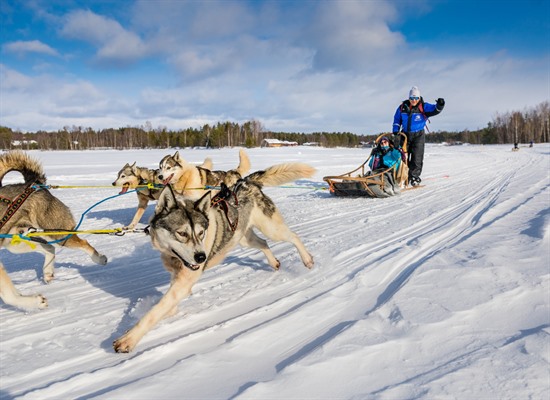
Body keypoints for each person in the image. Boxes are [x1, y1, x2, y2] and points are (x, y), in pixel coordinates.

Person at [392, 86, 445, 186]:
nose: (414, 100)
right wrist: (396, 132)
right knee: (403, 156)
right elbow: (396, 120)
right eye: (412, 98)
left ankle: (414, 177)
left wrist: (440, 105)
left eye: (416, 98)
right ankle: (402, 175)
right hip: (405, 134)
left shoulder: (423, 107)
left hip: (418, 135)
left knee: (417, 157)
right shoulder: (402, 107)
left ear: (419, 98)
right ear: (409, 98)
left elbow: (435, 109)